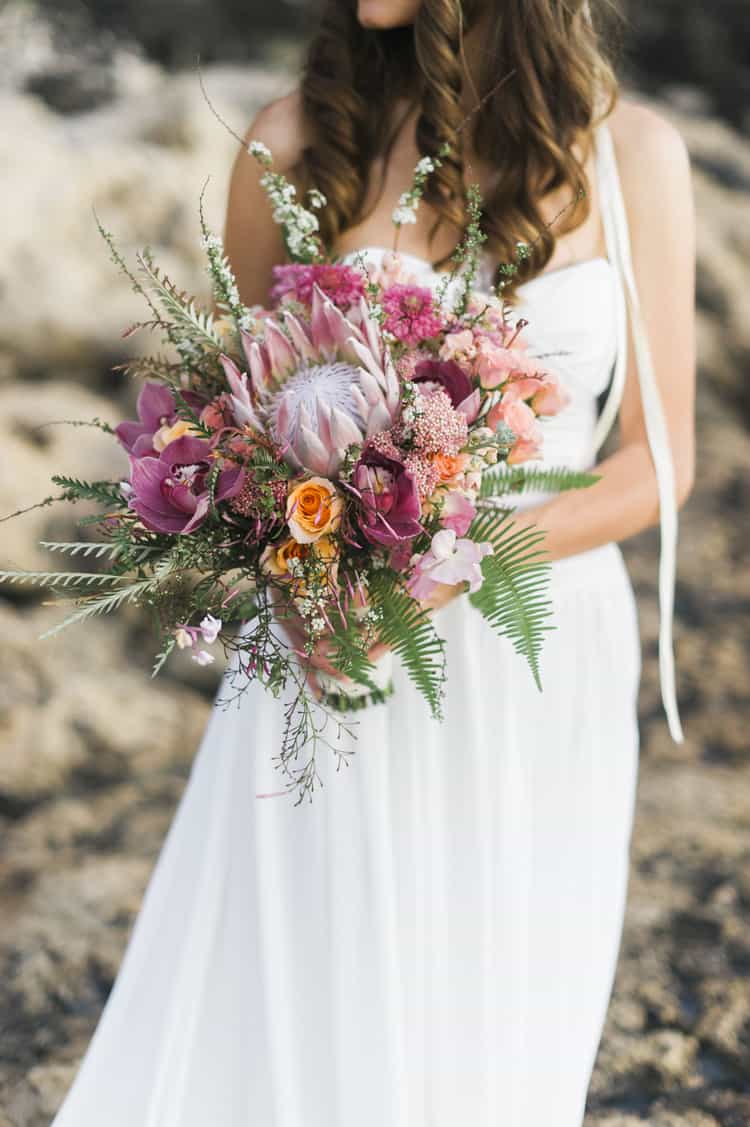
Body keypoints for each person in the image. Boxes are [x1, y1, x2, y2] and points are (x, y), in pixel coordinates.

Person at [51, 1, 695, 1124]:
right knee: (310, 996)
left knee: (500, 1010)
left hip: (534, 661)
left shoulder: (631, 150)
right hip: (333, 653)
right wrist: (292, 560)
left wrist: (454, 556)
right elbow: (235, 426)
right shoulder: (297, 141)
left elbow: (659, 459)